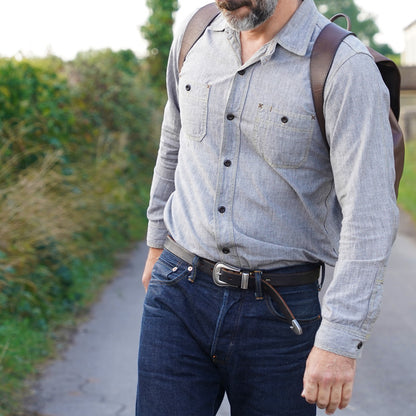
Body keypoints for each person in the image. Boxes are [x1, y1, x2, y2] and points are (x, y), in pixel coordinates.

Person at [136, 0, 399, 415]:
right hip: (177, 293)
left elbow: (370, 216)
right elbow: (173, 140)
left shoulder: (344, 67)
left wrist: (339, 341)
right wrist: (156, 244)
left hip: (280, 315)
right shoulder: (194, 33)